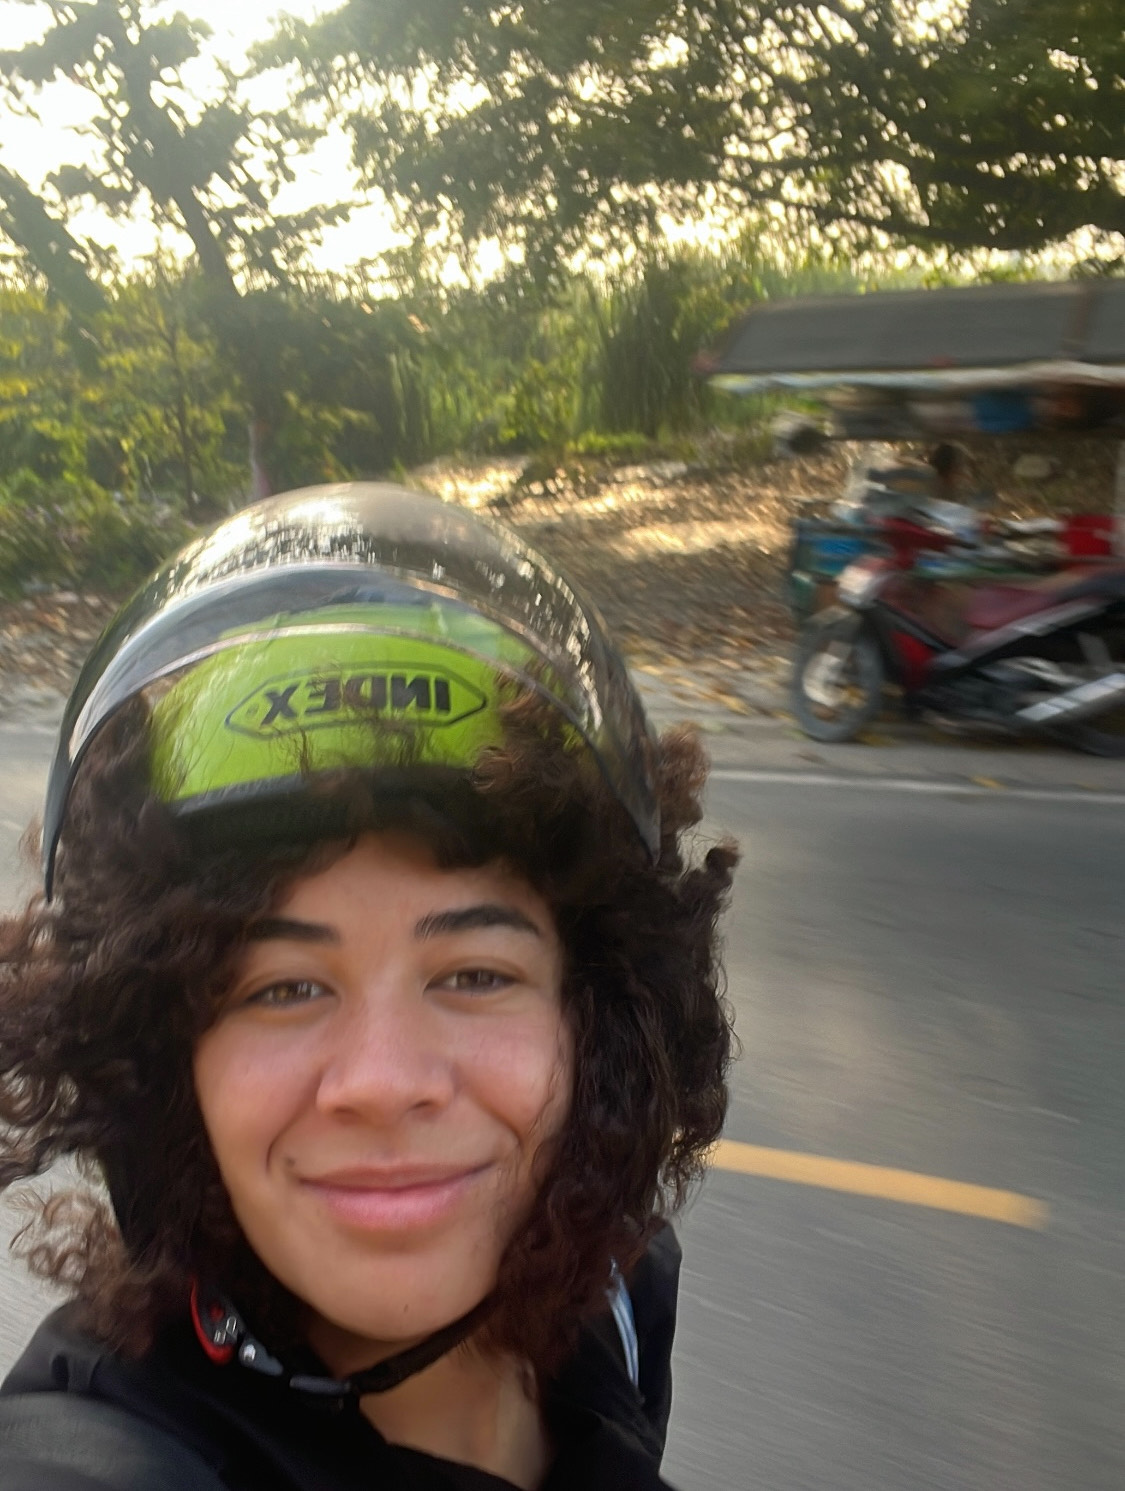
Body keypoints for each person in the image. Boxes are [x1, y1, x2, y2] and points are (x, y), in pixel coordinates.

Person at [0, 484, 737, 1490]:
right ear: (168, 1062)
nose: (384, 1083)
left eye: (476, 973)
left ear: (596, 1015)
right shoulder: (101, 1455)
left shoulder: (613, 1296)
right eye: (283, 988)